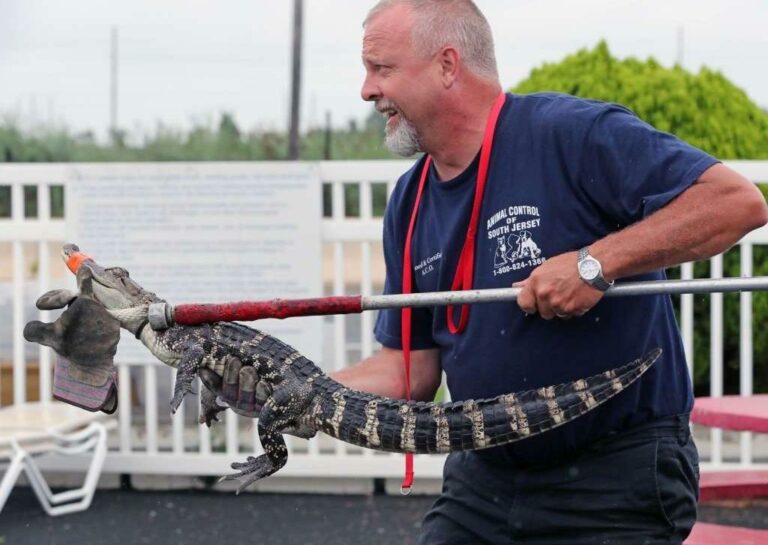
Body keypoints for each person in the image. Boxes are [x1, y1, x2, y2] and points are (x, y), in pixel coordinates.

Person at [207, 1, 768, 543]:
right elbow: (409, 373)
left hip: (614, 474)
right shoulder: (409, 199)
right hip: (485, 478)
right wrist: (295, 392)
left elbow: (736, 203)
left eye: (381, 68)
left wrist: (596, 264)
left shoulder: (571, 134)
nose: (367, 89)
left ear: (447, 65)